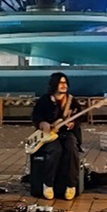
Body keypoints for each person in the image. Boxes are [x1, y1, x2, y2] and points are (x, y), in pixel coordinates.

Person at [32, 72, 82, 201]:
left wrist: (73, 123)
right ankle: (48, 184)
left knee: (71, 149)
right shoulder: (44, 100)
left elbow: (80, 117)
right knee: (55, 150)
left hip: (66, 133)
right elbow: (36, 116)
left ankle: (71, 185)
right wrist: (42, 123)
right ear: (54, 84)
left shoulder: (71, 101)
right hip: (49, 135)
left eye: (65, 83)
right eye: (61, 83)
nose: (63, 85)